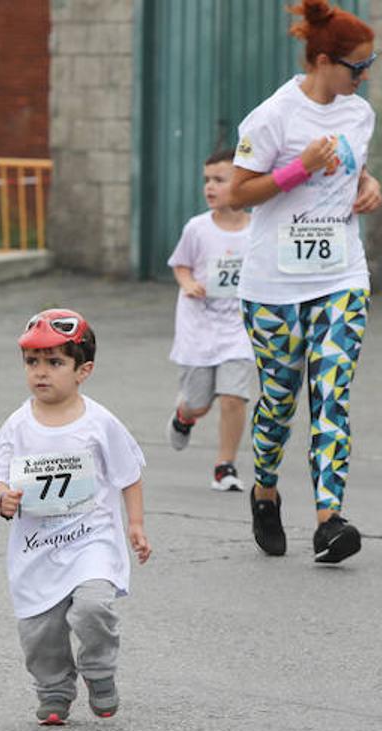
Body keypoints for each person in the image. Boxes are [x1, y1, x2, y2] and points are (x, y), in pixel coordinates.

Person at [229, 0, 382, 563]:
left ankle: (329, 520)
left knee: (332, 394)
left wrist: (369, 186)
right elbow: (236, 192)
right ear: (323, 61)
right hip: (274, 284)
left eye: (369, 67)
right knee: (279, 396)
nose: (363, 78)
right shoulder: (274, 116)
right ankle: (265, 490)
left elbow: (355, 170)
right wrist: (298, 169)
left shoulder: (358, 115)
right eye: (357, 68)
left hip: (341, 274)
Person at [0, 309, 152, 726]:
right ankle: (54, 688)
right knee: (40, 631)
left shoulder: (100, 422)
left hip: (91, 539)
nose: (41, 373)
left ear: (82, 370)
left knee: (93, 607)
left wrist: (136, 525)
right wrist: (1, 497)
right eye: (32, 362)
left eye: (55, 363)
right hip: (37, 546)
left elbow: (129, 474)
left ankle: (100, 669)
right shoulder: (18, 424)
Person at [165, 145, 255, 492]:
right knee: (200, 404)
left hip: (238, 327)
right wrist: (188, 283)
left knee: (234, 397)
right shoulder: (198, 229)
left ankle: (225, 466)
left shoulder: (257, 229)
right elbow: (181, 264)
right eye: (207, 180)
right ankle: (184, 415)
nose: (210, 187)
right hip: (199, 326)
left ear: (244, 182)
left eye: (220, 179)